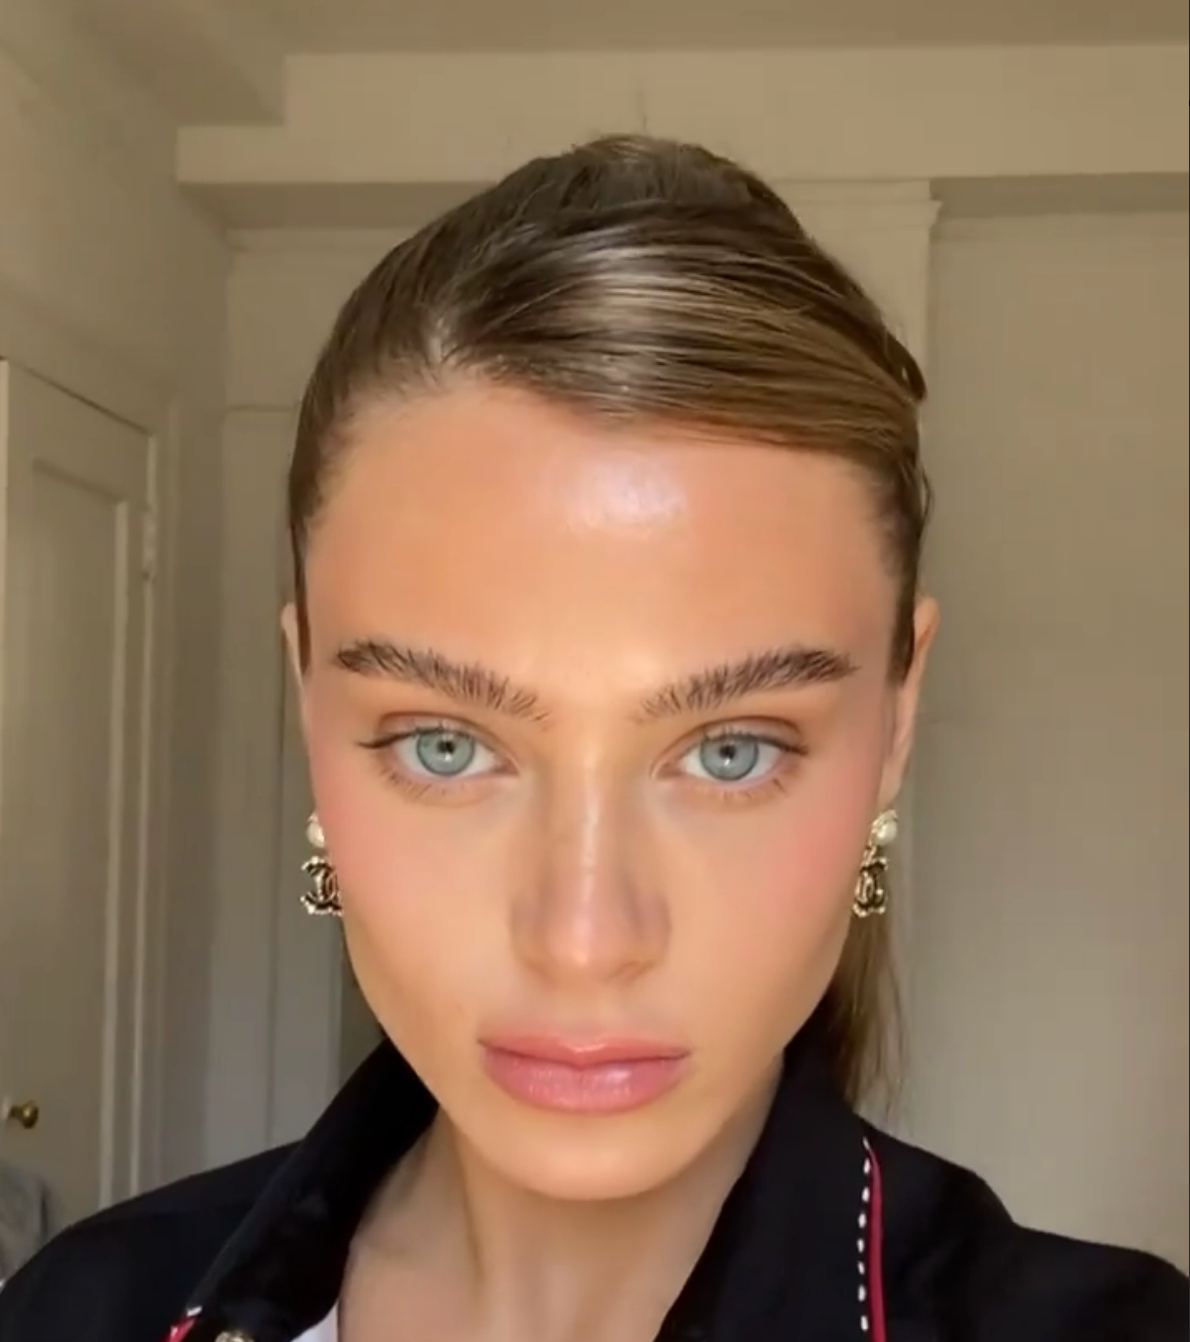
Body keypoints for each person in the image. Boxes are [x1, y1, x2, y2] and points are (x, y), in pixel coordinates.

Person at [0, 135, 1183, 1342]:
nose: (581, 941)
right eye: (443, 744)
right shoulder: (81, 1311)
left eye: (730, 750)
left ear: (894, 720)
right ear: (308, 699)